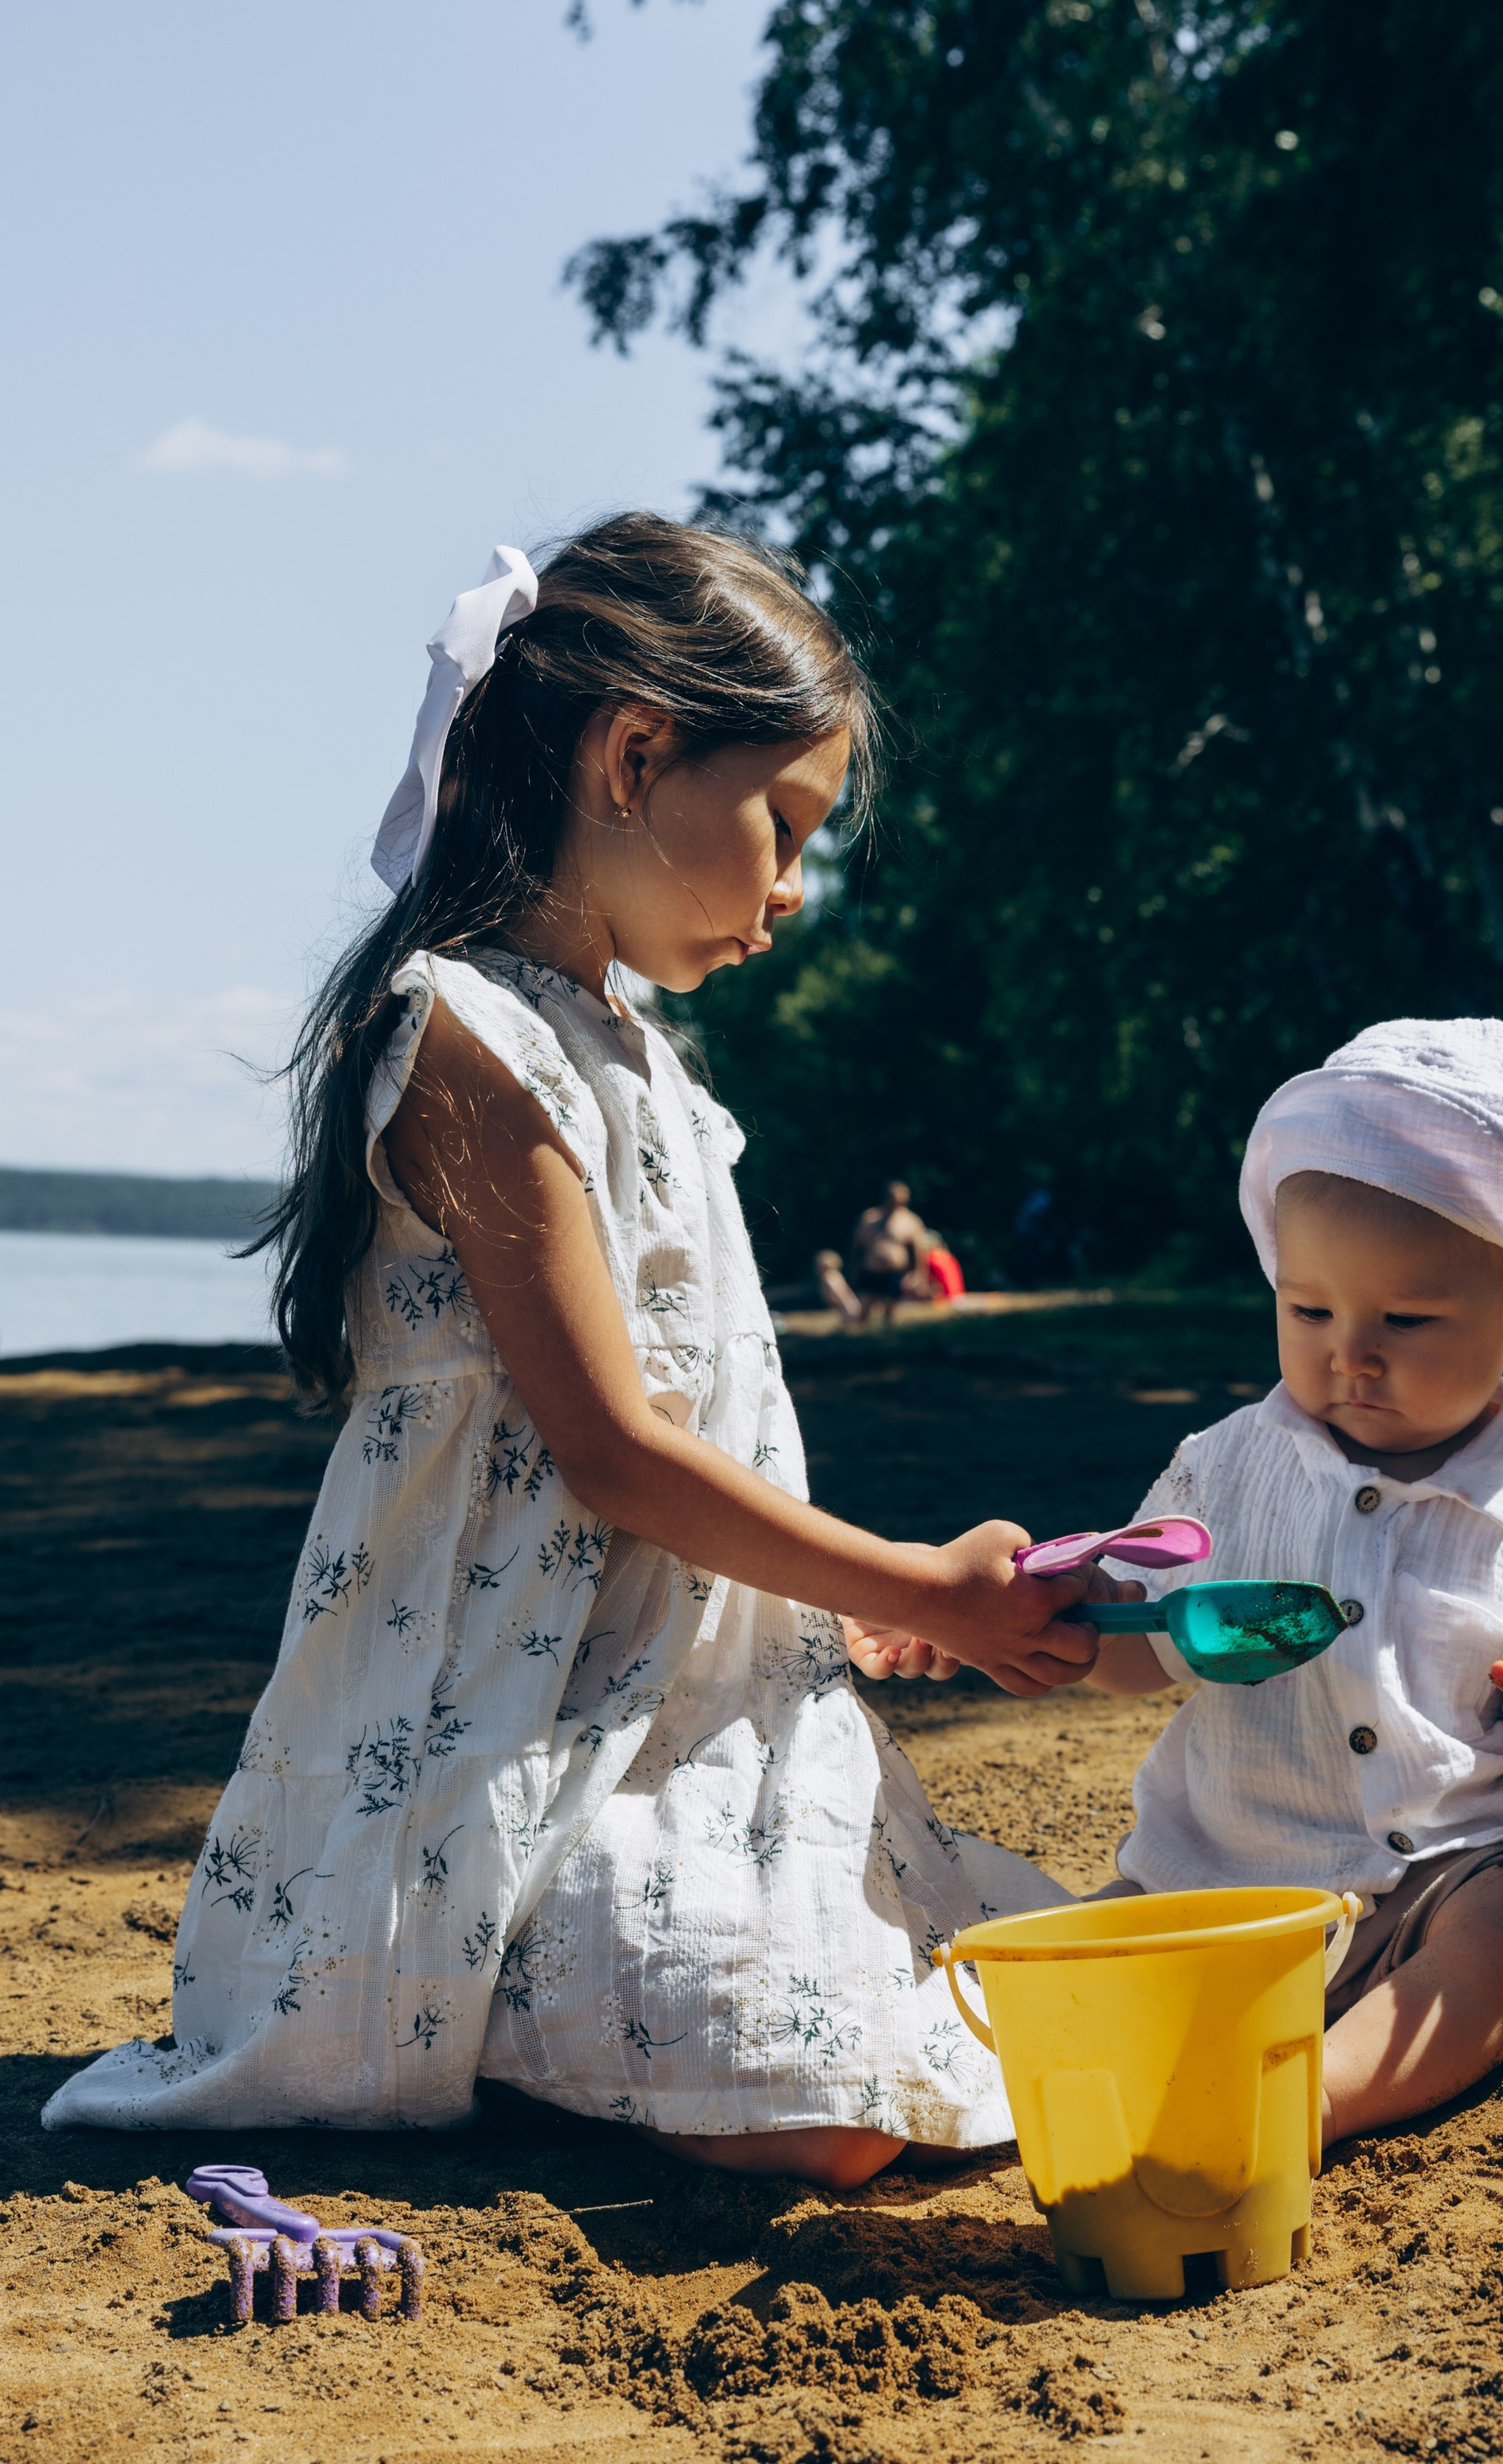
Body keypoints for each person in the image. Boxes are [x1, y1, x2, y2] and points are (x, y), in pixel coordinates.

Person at [42, 518, 1096, 2187]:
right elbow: (610, 1451)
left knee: (939, 2028)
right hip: (505, 1735)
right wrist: (909, 1584)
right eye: (785, 823)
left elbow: (710, 1426)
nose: (793, 887)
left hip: (682, 1706)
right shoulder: (469, 1039)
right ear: (634, 753)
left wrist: (844, 1618)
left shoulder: (649, 1064)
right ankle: (491, 2016)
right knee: (818, 2117)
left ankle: (592, 2020)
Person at [1074, 1018, 1503, 2143]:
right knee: (1077, 1956)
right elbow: (1130, 1650)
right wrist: (1041, 1624)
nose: (1350, 1351)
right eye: (1309, 1311)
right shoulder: (1223, 1466)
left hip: (1440, 1887)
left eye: (1404, 1319)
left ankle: (1306, 2095)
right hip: (1225, 1890)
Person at [848, 1178, 936, 1317]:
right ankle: (860, 1336)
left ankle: (887, 1337)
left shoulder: (911, 1221)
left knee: (890, 1312)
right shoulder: (869, 1218)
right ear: (886, 1196)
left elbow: (919, 1253)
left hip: (894, 1274)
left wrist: (919, 1276)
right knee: (863, 1310)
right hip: (870, 1271)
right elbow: (857, 1248)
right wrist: (854, 1271)